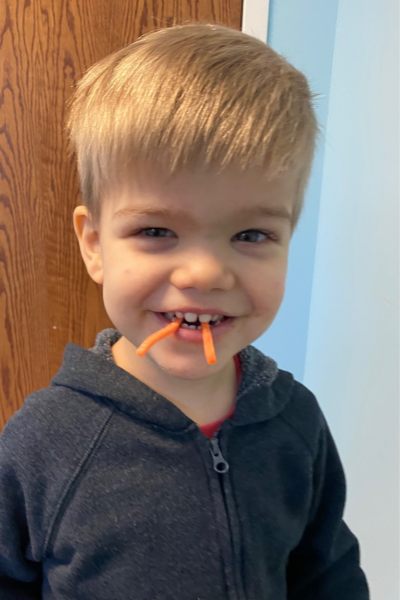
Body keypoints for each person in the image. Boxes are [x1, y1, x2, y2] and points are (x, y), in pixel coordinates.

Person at [0, 23, 369, 600]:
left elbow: (328, 574)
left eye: (251, 234)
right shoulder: (43, 443)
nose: (204, 274)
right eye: (156, 231)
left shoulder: (296, 421)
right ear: (94, 245)